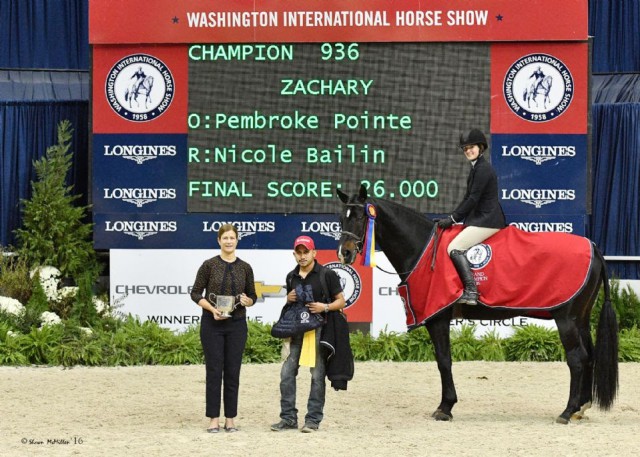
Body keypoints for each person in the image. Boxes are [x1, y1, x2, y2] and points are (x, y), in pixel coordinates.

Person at [271, 235, 346, 433]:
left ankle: (313, 420)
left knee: (317, 375)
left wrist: (325, 306)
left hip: (318, 330)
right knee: (286, 374)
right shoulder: (291, 276)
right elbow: (291, 305)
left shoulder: (326, 274)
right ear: (294, 254)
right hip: (295, 330)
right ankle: (288, 418)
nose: (302, 256)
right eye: (299, 252)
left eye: (306, 252)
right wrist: (287, 298)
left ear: (314, 253)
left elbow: (341, 301)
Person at [190, 224, 257, 433]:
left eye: (232, 238)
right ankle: (213, 419)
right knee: (213, 371)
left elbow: (253, 296)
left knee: (232, 372)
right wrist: (211, 309)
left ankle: (230, 419)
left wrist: (248, 301)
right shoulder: (209, 265)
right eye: (225, 238)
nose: (229, 241)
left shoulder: (245, 267)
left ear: (237, 240)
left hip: (237, 325)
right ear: (219, 241)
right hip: (212, 325)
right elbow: (195, 293)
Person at [437, 129, 506, 305]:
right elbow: (468, 198)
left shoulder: (483, 169)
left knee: (454, 248)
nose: (468, 151)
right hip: (481, 218)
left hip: (488, 220)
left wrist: (452, 219)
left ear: (481, 147)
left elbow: (473, 199)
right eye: (465, 148)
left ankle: (471, 291)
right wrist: (452, 217)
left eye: (472, 147)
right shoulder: (476, 168)